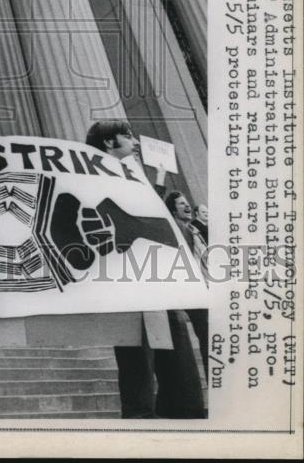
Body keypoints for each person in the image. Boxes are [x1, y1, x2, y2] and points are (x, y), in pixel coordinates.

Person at [85, 119, 205, 419]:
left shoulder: (133, 178)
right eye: (128, 137)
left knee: (181, 367)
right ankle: (141, 426)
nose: (136, 142)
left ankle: (183, 414)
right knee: (138, 363)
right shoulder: (90, 179)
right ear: (110, 144)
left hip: (160, 285)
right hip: (127, 285)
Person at [166, 190, 209, 373]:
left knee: (209, 337)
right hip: (193, 289)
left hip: (205, 286)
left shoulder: (192, 229)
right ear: (173, 211)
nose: (187, 206)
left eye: (187, 203)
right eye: (182, 204)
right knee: (208, 337)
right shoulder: (177, 227)